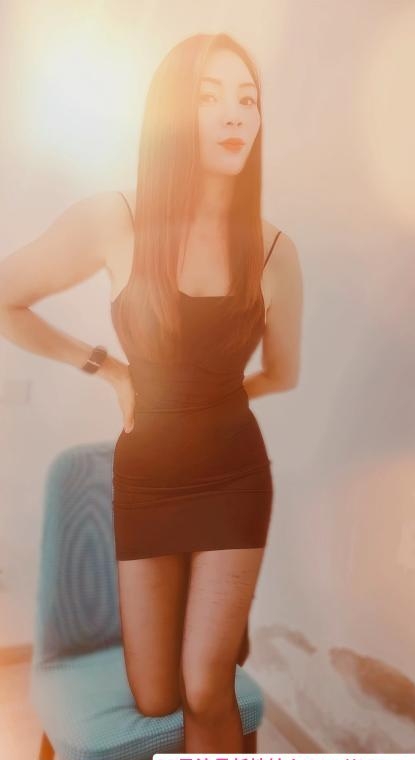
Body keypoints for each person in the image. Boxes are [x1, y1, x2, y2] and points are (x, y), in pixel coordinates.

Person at [0, 32, 302, 752]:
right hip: (147, 484)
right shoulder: (116, 219)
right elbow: (7, 296)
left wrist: (211, 400)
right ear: (171, 114)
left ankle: (217, 636)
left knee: (204, 687)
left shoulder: (274, 251)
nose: (234, 114)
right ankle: (219, 625)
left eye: (247, 99)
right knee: (156, 695)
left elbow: (283, 373)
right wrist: (107, 367)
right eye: (209, 96)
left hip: (233, 480)